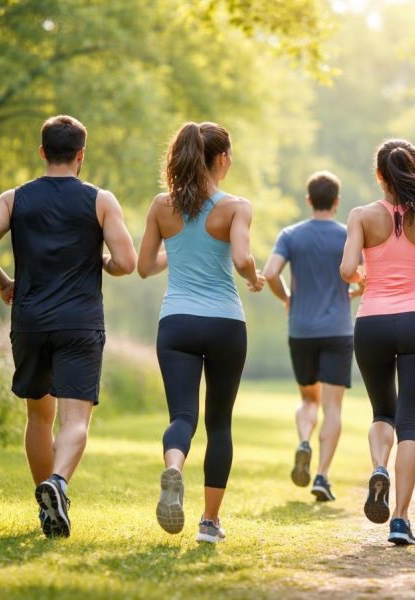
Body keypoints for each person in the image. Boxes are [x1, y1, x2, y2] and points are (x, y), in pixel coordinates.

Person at [0, 115, 137, 538]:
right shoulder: (100, 201)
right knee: (75, 419)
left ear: (43, 152)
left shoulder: (13, 199)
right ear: (81, 155)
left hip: (30, 321)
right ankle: (57, 484)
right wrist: (103, 262)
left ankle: (47, 510)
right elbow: (127, 262)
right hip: (79, 323)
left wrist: (3, 283)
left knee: (38, 417)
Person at [137, 121, 265, 544]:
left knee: (182, 416)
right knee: (219, 424)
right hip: (225, 323)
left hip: (176, 323)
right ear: (222, 158)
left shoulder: (162, 206)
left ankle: (174, 468)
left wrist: (177, 252)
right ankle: (209, 522)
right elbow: (242, 258)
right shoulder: (235, 207)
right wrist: (254, 277)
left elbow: (144, 266)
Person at [340, 139, 415, 545]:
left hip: (372, 322)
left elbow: (347, 269)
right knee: (410, 424)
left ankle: (379, 467)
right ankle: (400, 519)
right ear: (414, 171)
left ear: (379, 174)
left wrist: (365, 276)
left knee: (381, 412)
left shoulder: (361, 216)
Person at [263, 171, 362, 502]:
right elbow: (365, 275)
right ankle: (322, 475)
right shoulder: (348, 236)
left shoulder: (291, 235)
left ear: (309, 200)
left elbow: (270, 272)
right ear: (337, 201)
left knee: (309, 399)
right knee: (332, 407)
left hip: (301, 330)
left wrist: (286, 298)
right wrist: (353, 291)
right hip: (337, 330)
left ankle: (304, 440)